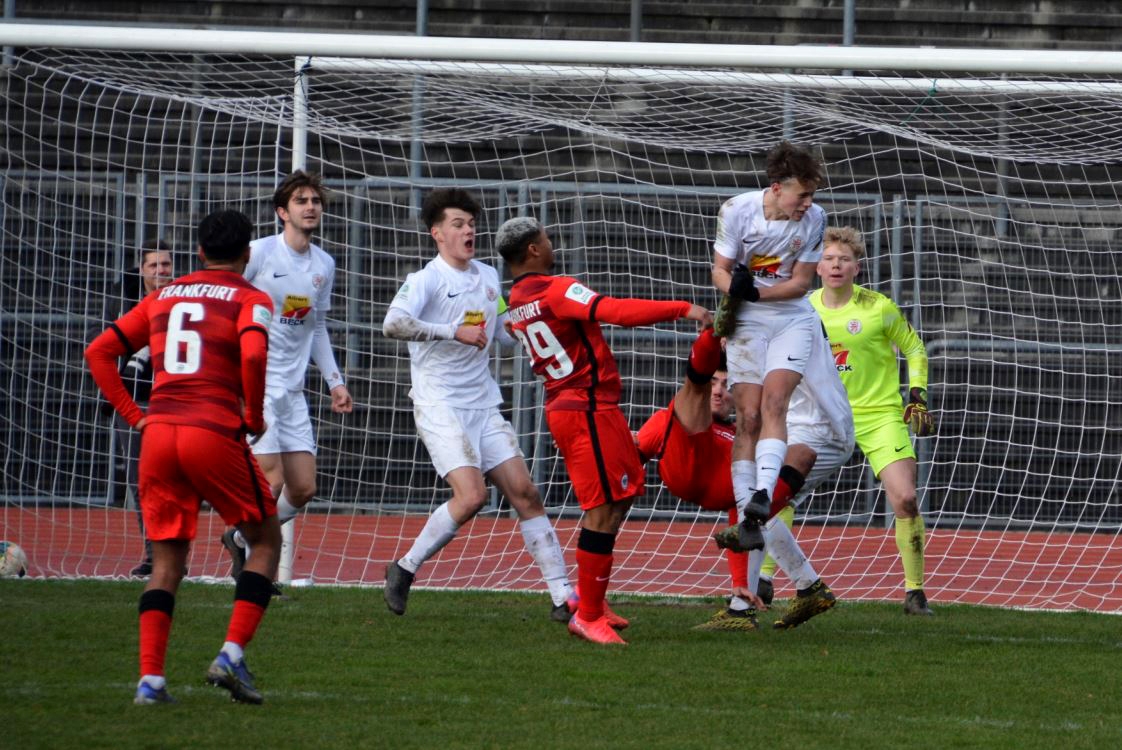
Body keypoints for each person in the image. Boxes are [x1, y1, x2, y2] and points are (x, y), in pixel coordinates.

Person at [85, 209, 281, 705]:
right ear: (247, 254)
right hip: (210, 430)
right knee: (265, 540)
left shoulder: (162, 295)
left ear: (198, 252)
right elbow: (253, 354)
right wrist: (254, 415)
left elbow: (98, 352)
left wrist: (135, 416)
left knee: (167, 561)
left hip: (158, 435)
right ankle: (231, 654)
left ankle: (150, 681)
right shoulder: (250, 297)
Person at [498, 216, 711, 645]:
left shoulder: (516, 300)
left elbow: (517, 328)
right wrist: (681, 308)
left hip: (586, 407)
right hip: (583, 408)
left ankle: (590, 599)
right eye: (547, 238)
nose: (552, 243)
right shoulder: (555, 289)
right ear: (534, 250)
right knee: (602, 507)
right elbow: (615, 311)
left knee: (621, 497)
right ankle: (587, 614)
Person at [381, 189, 575, 622]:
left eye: (471, 224)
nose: (468, 230)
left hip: (483, 404)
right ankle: (405, 567)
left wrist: (534, 330)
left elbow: (503, 328)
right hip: (440, 403)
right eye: (457, 224)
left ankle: (563, 597)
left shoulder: (487, 276)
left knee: (526, 494)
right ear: (437, 234)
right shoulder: (426, 279)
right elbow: (393, 323)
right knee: (471, 497)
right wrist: (452, 331)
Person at [636, 326, 853, 630]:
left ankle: (796, 590)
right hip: (687, 465)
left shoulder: (743, 435)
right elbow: (634, 455)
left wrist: (740, 581)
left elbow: (744, 502)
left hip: (731, 480)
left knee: (781, 472)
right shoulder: (670, 420)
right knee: (692, 403)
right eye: (714, 382)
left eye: (726, 385)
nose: (718, 391)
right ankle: (713, 331)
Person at [220, 171, 353, 579]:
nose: (311, 207)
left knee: (303, 488)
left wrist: (335, 382)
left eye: (315, 201)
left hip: (293, 391)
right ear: (282, 212)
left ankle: (240, 538)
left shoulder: (324, 264)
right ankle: (256, 571)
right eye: (301, 201)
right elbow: (226, 299)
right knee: (271, 478)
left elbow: (317, 326)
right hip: (256, 384)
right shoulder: (259, 253)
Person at [810, 226, 936, 616]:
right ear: (817, 266)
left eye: (844, 259)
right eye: (829, 258)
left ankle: (914, 593)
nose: (836, 265)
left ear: (857, 268)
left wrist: (917, 395)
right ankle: (763, 582)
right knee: (781, 489)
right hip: (823, 416)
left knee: (906, 499)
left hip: (879, 416)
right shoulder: (803, 309)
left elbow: (915, 348)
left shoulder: (878, 307)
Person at [711, 140, 828, 550]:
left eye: (812, 195)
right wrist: (735, 289)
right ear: (777, 188)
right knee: (748, 415)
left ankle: (762, 495)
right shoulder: (736, 210)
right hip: (746, 319)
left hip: (790, 316)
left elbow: (800, 283)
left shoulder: (815, 218)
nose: (808, 203)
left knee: (775, 402)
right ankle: (747, 511)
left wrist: (756, 293)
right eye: (803, 195)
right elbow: (720, 270)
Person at [107, 240, 174, 577]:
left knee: (173, 480)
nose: (161, 270)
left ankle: (175, 550)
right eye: (154, 265)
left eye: (166, 264)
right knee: (139, 481)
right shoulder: (123, 299)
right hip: (133, 400)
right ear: (142, 269)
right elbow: (101, 338)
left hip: (173, 400)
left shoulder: (181, 297)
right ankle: (152, 555)